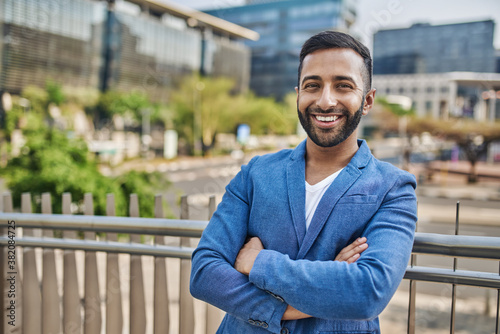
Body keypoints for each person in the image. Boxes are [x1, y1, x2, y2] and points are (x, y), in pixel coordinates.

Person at [190, 30, 417, 334]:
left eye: (343, 86)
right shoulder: (255, 174)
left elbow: (368, 292)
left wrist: (258, 263)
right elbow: (205, 272)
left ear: (367, 100)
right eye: (313, 86)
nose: (325, 100)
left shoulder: (394, 188)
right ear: (298, 94)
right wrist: (292, 306)